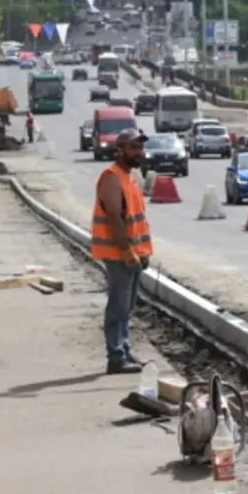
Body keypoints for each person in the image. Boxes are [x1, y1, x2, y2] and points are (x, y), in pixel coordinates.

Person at [90, 128, 153, 374]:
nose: (139, 152)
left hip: (133, 254)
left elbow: (135, 220)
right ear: (120, 150)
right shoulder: (112, 177)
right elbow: (115, 219)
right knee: (118, 306)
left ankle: (124, 350)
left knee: (127, 306)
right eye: (134, 148)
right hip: (120, 255)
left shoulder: (130, 177)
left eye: (141, 148)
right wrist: (128, 251)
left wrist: (141, 251)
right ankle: (116, 357)